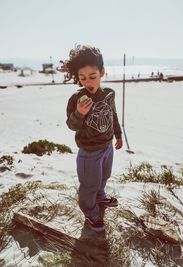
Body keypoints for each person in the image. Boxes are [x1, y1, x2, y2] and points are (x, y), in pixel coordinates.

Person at [57, 45, 123, 232]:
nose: (88, 82)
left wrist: (118, 134)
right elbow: (72, 125)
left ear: (102, 72)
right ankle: (90, 212)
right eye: (82, 78)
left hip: (107, 146)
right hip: (89, 152)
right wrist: (79, 112)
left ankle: (100, 195)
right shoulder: (77, 99)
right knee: (89, 184)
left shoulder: (109, 93)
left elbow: (113, 115)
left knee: (104, 176)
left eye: (92, 76)